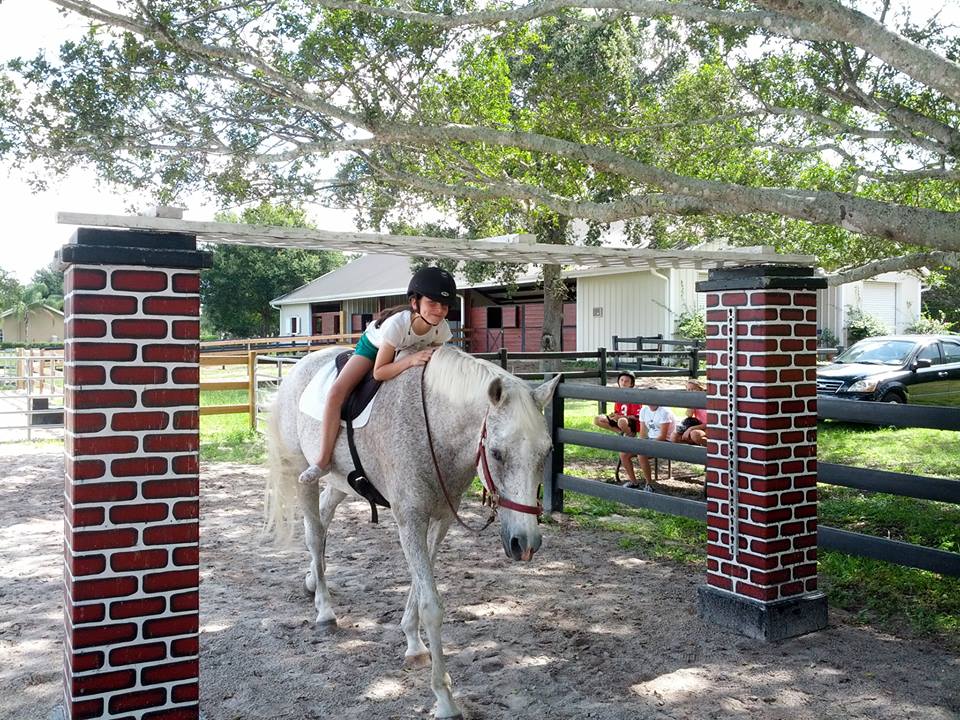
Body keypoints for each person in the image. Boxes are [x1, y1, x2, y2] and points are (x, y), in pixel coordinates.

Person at [298, 266, 457, 484]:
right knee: (336, 392)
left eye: (445, 306)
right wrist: (410, 360)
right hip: (373, 349)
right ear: (415, 302)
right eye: (432, 303)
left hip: (406, 349)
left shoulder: (442, 328)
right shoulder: (397, 324)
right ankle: (323, 460)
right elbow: (379, 372)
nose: (439, 310)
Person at [593, 371, 643, 486]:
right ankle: (620, 432)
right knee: (598, 418)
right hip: (620, 422)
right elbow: (617, 412)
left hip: (631, 423)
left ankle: (628, 433)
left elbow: (637, 416)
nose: (623, 383)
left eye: (627, 381)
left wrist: (621, 417)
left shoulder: (634, 396)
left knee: (621, 421)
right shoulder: (618, 396)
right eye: (621, 380)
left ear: (631, 384)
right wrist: (613, 416)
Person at [632, 392, 676, 492]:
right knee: (624, 453)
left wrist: (645, 445)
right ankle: (634, 482)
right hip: (650, 440)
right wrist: (640, 443)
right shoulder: (644, 409)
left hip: (664, 441)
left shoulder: (664, 411)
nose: (650, 404)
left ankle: (649, 484)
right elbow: (643, 432)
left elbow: (662, 436)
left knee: (641, 454)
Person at [672, 379, 708, 447]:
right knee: (674, 436)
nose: (691, 392)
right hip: (697, 425)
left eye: (693, 389)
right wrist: (692, 403)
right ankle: (690, 453)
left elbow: (710, 423)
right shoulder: (693, 401)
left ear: (701, 390)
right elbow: (689, 415)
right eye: (688, 390)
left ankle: (712, 449)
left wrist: (691, 428)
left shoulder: (707, 400)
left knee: (695, 434)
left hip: (708, 427)